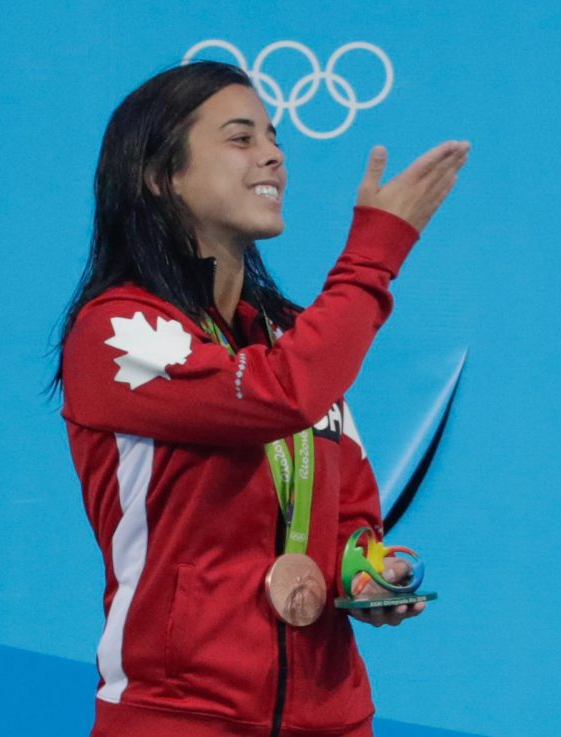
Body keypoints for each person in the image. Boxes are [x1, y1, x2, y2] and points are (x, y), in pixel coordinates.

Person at [52, 61, 468, 737]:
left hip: (333, 720)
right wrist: (375, 254)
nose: (274, 153)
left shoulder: (295, 334)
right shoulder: (117, 331)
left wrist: (365, 574)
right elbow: (277, 397)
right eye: (241, 138)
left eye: (273, 137)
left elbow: (351, 512)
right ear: (159, 176)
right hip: (182, 719)